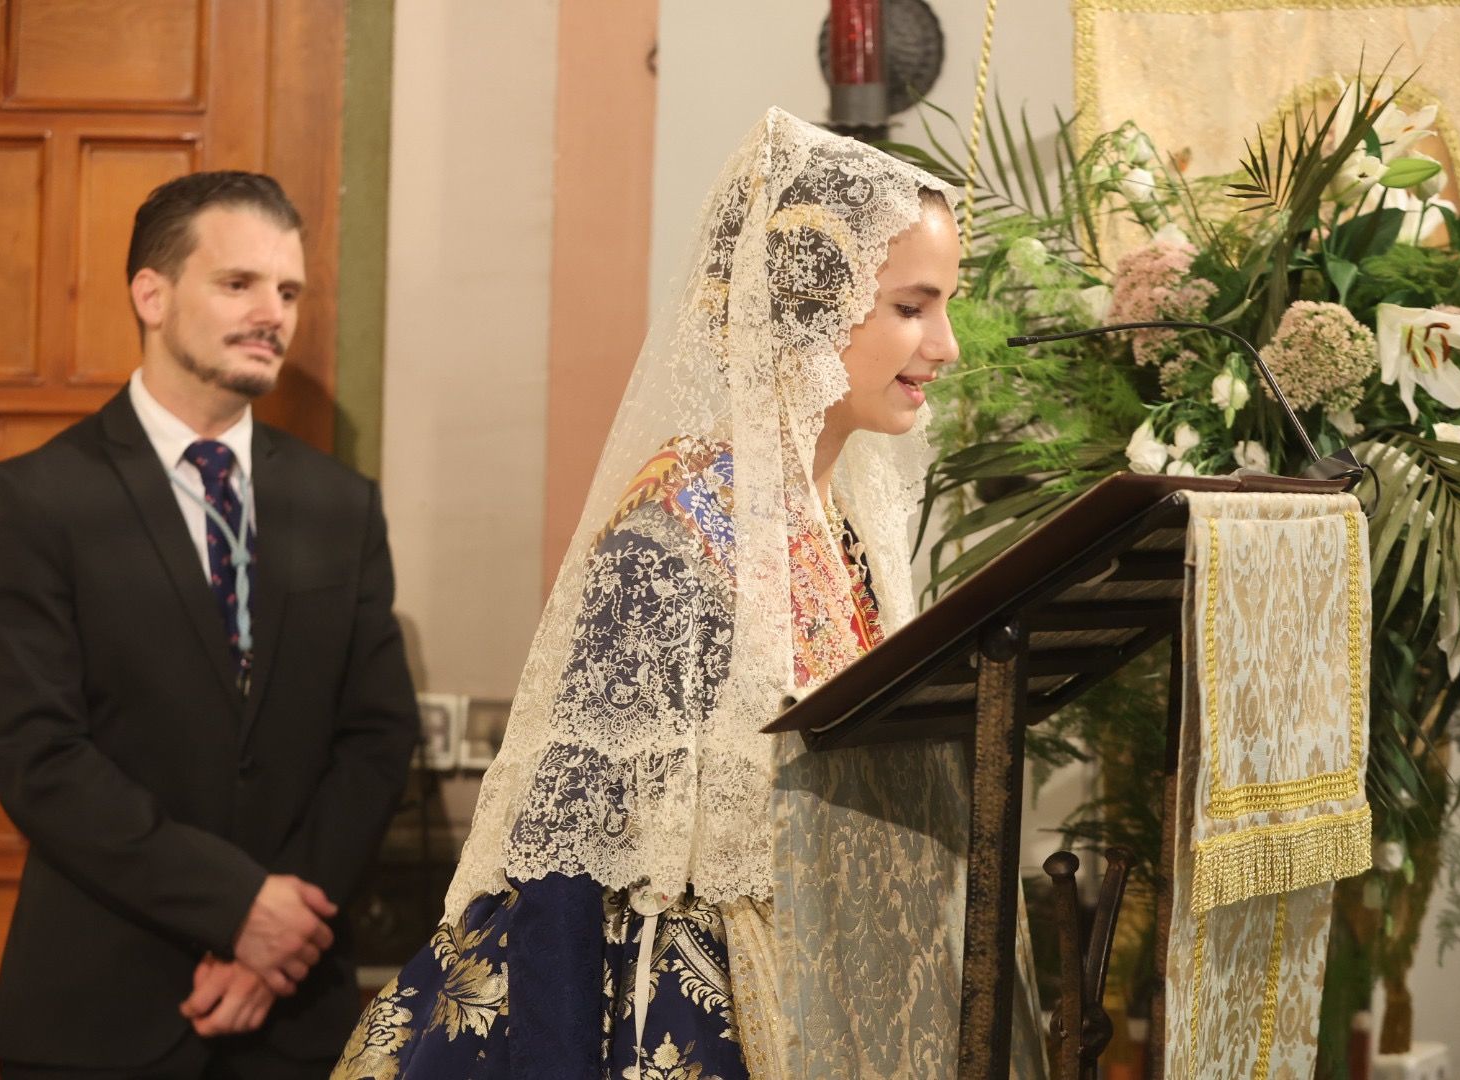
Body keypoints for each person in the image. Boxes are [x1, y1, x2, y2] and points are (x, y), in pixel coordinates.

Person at [333, 108, 1045, 1080]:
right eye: (914, 307)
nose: (948, 346)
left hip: (818, 990)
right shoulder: (672, 538)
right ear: (810, 304)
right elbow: (565, 849)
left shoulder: (846, 531)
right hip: (661, 1013)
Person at [0, 171, 421, 1079]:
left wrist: (280, 935)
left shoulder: (342, 505)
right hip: (100, 1015)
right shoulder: (37, 501)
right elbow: (39, 756)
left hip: (295, 1014)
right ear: (151, 292)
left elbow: (377, 737)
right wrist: (238, 906)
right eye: (239, 284)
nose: (273, 314)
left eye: (288, 291)